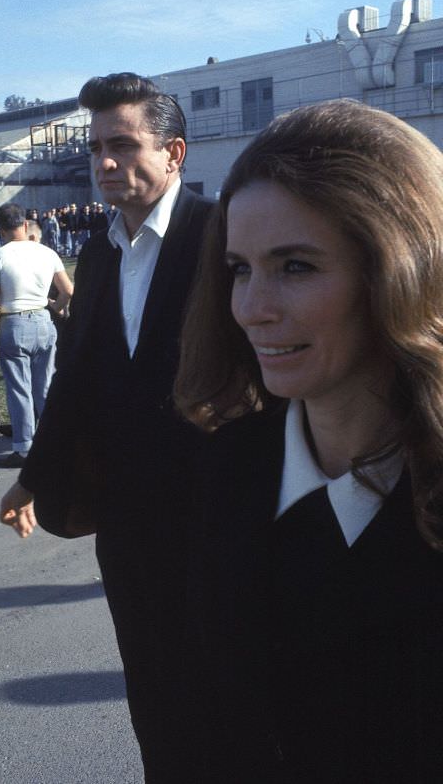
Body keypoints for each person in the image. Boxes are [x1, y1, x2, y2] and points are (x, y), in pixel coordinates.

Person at [173, 99, 443, 784]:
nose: (251, 308)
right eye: (240, 268)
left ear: (399, 272)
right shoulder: (219, 467)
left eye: (295, 266)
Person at [0, 73, 213, 780]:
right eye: (96, 148)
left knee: (226, 691)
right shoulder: (97, 254)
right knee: (151, 689)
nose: (106, 161)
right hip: (128, 522)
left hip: (217, 515)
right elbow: (78, 381)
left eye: (123, 144)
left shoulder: (221, 239)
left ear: (174, 153)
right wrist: (32, 477)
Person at [0, 202, 73, 469]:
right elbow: (68, 290)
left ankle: (23, 448)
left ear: (0, 230)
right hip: (43, 321)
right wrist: (53, 306)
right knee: (44, 387)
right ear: (24, 224)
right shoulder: (46, 252)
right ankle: (56, 442)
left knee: (19, 389)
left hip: (14, 323)